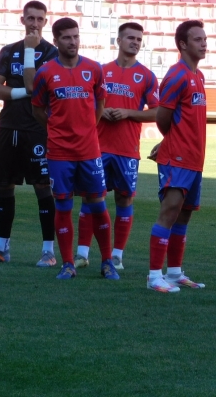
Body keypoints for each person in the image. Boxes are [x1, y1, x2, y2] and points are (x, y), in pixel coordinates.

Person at [0, 0, 58, 267]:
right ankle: (1, 248)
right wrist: (25, 92)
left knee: (43, 188)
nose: (34, 23)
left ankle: (48, 251)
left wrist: (25, 88)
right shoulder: (8, 52)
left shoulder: (53, 54)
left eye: (39, 19)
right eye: (30, 18)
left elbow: (41, 89)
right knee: (3, 186)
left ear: (45, 22)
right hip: (8, 127)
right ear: (22, 20)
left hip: (37, 130)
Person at [31, 17, 118, 281]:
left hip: (90, 151)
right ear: (55, 41)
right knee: (63, 207)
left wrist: (89, 127)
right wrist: (58, 127)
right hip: (59, 153)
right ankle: (68, 263)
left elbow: (100, 102)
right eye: (67, 37)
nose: (73, 41)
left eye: (75, 36)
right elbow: (37, 109)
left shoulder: (94, 69)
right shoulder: (45, 72)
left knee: (98, 205)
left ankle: (107, 262)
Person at [74, 23, 159, 270]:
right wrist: (102, 112)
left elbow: (157, 112)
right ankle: (82, 254)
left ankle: (118, 254)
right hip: (96, 148)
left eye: (139, 39)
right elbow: (85, 104)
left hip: (127, 150)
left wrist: (127, 113)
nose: (135, 42)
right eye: (130, 38)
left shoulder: (146, 76)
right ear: (118, 41)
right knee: (91, 198)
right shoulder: (100, 71)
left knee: (124, 199)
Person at [147, 20, 208, 293]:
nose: (204, 43)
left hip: (195, 158)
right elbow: (163, 118)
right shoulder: (177, 75)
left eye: (204, 38)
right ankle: (153, 276)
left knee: (183, 216)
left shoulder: (199, 75)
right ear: (183, 44)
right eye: (197, 39)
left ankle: (173, 273)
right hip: (178, 158)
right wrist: (170, 141)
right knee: (169, 212)